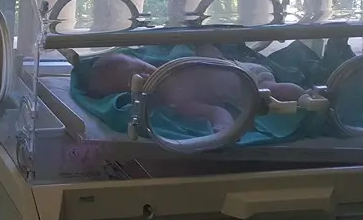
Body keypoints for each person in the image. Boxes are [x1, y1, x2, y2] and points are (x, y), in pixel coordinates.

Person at [85, 46, 308, 133]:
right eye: (136, 79)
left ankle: (311, 98)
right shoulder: (176, 102)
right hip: (243, 93)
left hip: (246, 72)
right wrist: (224, 127)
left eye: (142, 67)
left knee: (277, 89)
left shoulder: (171, 65)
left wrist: (205, 46)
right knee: (267, 99)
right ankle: (308, 101)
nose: (146, 74)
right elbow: (214, 111)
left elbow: (197, 52)